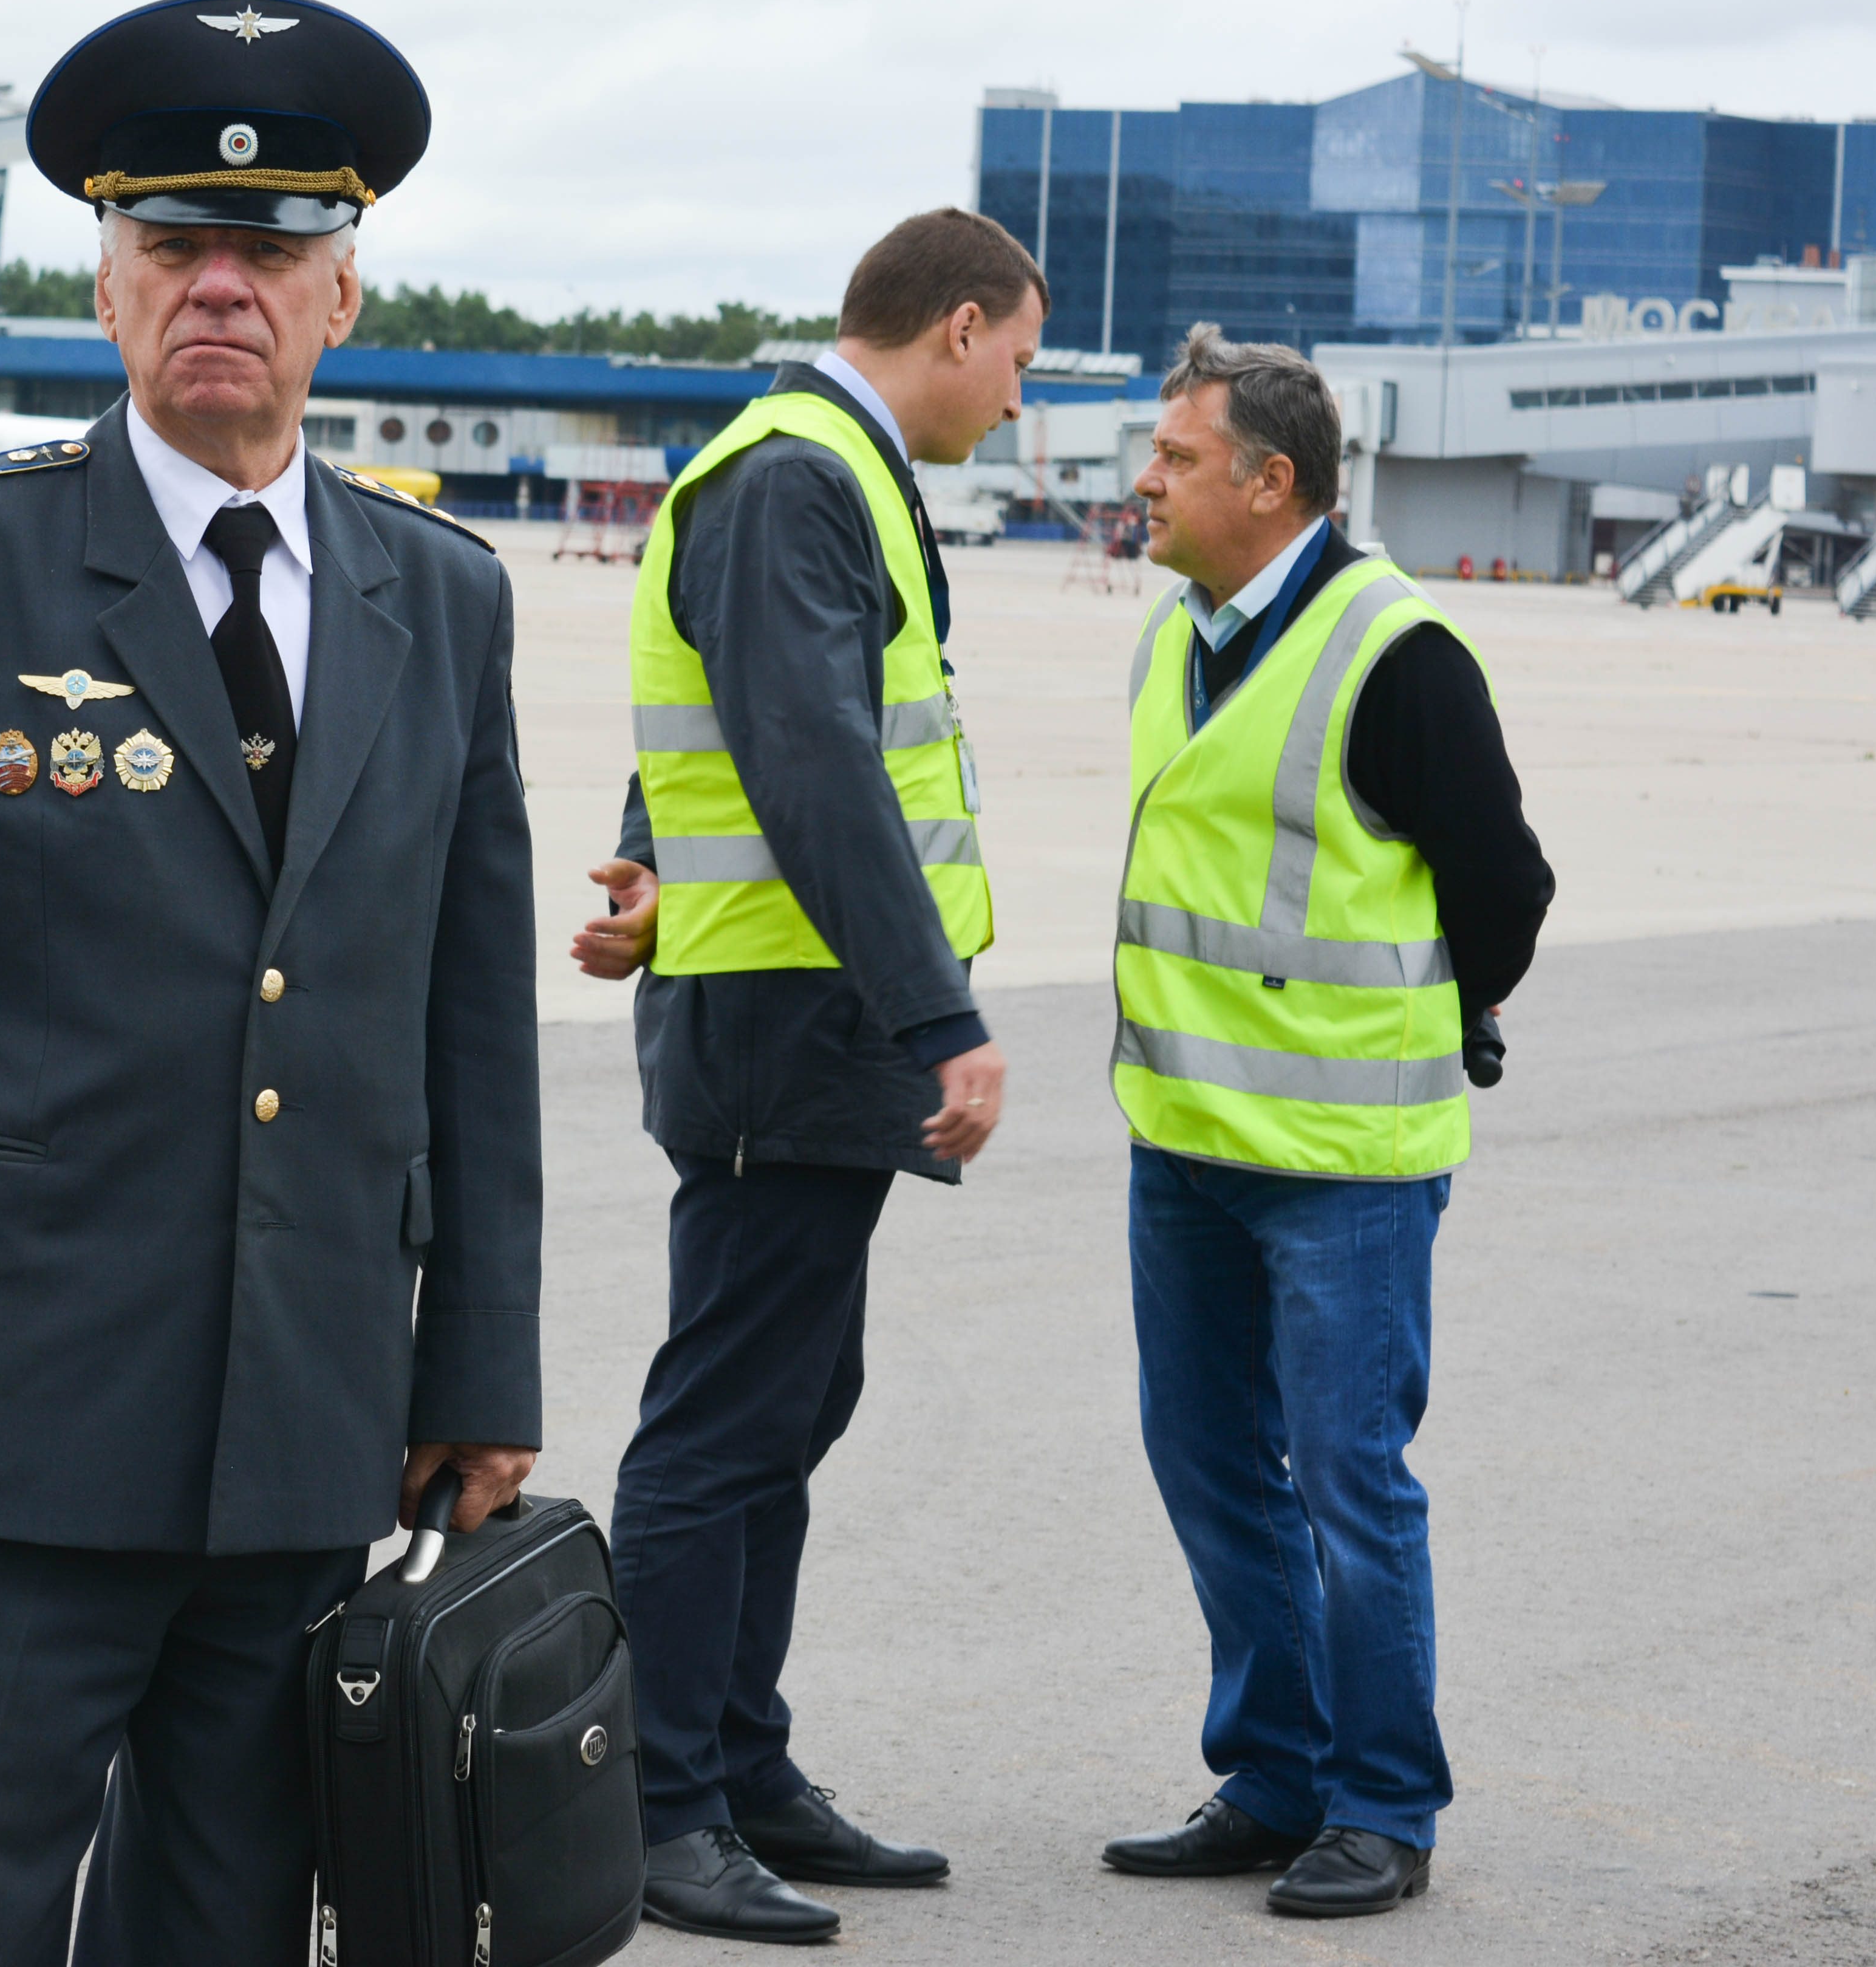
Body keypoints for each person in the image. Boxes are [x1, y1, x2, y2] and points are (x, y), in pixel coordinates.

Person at [0, 0, 544, 1967]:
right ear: (108, 284)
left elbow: (471, 1030)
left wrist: (477, 1370)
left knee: (227, 1930)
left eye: (269, 254)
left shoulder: (448, 605)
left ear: (345, 294)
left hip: (305, 1448)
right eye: (176, 248)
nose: (220, 287)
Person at [568, 208, 1042, 1945]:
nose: (1017, 399)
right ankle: (660, 1804)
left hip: (792, 1005)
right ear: (961, 323)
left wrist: (645, 868)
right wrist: (942, 1019)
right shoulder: (797, 477)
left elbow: (709, 737)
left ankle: (740, 1763)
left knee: (792, 1400)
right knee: (722, 1422)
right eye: (1017, 361)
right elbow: (813, 761)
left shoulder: (825, 466)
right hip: (794, 1018)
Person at [1097, 326, 1550, 1918]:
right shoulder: (1173, 637)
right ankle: (1276, 1772)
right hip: (1185, 1141)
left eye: (1174, 457)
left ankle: (1382, 1804)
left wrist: (1460, 1008)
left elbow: (1505, 885)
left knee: (1352, 1478)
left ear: (1268, 482)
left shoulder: (1394, 649)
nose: (1142, 479)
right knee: (1211, 1459)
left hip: (1343, 1167)